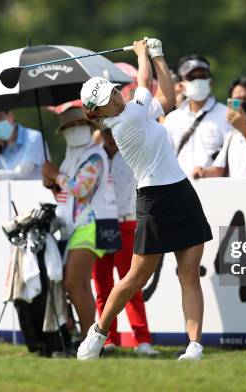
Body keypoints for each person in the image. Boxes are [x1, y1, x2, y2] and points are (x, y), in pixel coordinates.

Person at [77, 38, 212, 361]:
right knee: (136, 277)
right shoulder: (125, 122)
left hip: (181, 192)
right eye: (107, 99)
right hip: (153, 199)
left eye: (112, 91)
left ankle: (194, 346)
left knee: (189, 273)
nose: (114, 97)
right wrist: (142, 54)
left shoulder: (135, 111)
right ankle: (98, 333)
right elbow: (144, 83)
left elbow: (166, 97)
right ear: (97, 112)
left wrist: (159, 55)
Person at [41, 106, 118, 340]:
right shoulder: (69, 159)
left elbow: (81, 188)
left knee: (74, 284)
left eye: (78, 125)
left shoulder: (95, 154)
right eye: (68, 128)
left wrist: (56, 176)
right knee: (78, 285)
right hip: (75, 227)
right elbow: (66, 195)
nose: (74, 130)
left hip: (92, 225)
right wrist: (52, 183)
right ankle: (88, 339)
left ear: (89, 127)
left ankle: (89, 341)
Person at [93, 127, 158, 355]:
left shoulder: (131, 153)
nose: (110, 137)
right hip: (99, 224)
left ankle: (142, 340)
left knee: (130, 284)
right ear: (100, 133)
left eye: (113, 132)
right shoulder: (94, 155)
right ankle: (108, 339)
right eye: (106, 132)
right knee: (102, 285)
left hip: (126, 221)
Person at [163, 54, 230, 178]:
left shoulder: (227, 115)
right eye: (191, 77)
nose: (197, 81)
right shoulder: (172, 119)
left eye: (202, 76)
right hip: (180, 191)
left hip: (218, 190)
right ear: (181, 85)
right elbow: (164, 160)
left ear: (210, 82)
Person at [195, 76, 246, 178]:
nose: (241, 105)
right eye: (236, 101)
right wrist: (203, 172)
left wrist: (244, 129)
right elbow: (220, 169)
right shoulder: (232, 134)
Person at [0, 111, 47, 189]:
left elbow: (21, 174)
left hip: (38, 197)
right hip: (13, 199)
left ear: (11, 115)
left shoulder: (34, 137)